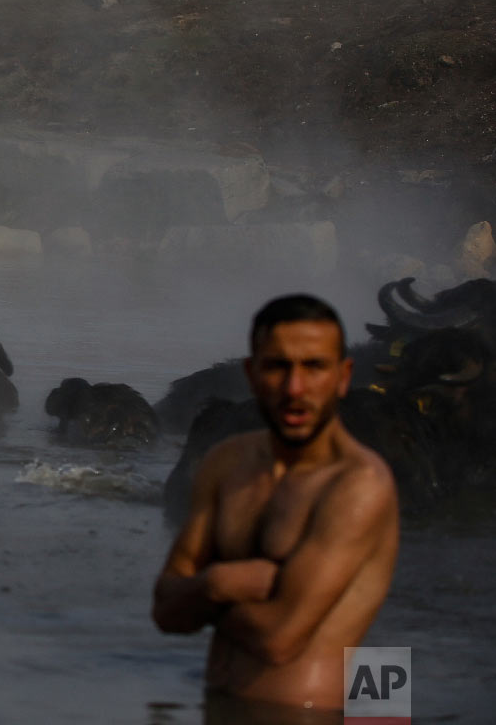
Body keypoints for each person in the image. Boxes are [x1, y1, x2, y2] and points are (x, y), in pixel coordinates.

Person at [151, 294, 399, 717]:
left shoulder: (361, 485)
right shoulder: (225, 462)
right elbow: (165, 611)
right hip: (216, 702)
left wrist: (210, 586)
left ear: (344, 378)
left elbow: (280, 638)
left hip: (311, 712)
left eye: (314, 368)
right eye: (276, 366)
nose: (294, 388)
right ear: (251, 374)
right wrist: (231, 582)